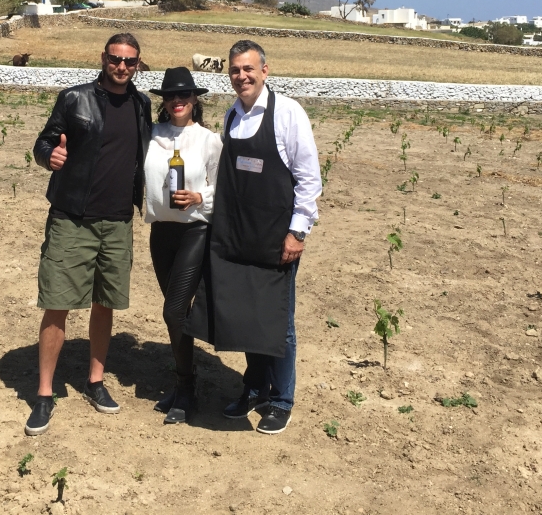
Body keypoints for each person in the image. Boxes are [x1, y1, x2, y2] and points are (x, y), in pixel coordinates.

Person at [186, 39, 321, 435]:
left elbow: (309, 179)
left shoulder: (288, 114)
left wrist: (298, 232)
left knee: (278, 319)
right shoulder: (232, 116)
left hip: (276, 237)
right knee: (248, 315)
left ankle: (281, 399)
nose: (241, 76)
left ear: (265, 71)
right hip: (239, 234)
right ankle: (255, 388)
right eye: (234, 70)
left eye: (248, 69)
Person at [25, 33, 153, 436]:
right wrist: (51, 155)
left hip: (117, 221)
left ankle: (95, 381)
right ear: (103, 58)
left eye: (130, 62)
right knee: (58, 301)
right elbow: (43, 141)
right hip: (73, 218)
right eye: (115, 59)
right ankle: (44, 393)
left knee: (105, 303)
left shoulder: (141, 104)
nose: (121, 67)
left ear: (138, 65)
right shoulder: (74, 98)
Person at [143, 67, 222, 425]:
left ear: (195, 100)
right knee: (175, 312)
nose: (178, 101)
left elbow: (223, 190)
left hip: (194, 232)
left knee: (174, 311)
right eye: (171, 96)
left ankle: (186, 386)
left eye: (185, 96)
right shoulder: (151, 135)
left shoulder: (209, 140)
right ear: (164, 101)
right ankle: (183, 381)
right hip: (161, 233)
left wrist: (199, 196)